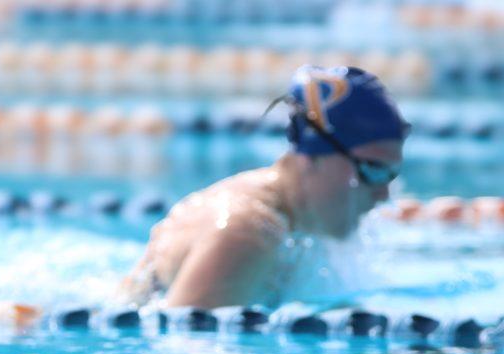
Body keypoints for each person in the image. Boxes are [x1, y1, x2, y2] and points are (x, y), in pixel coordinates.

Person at [119, 65, 409, 309]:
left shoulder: (298, 220)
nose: (382, 194)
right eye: (373, 170)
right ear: (313, 157)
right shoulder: (245, 234)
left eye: (391, 174)